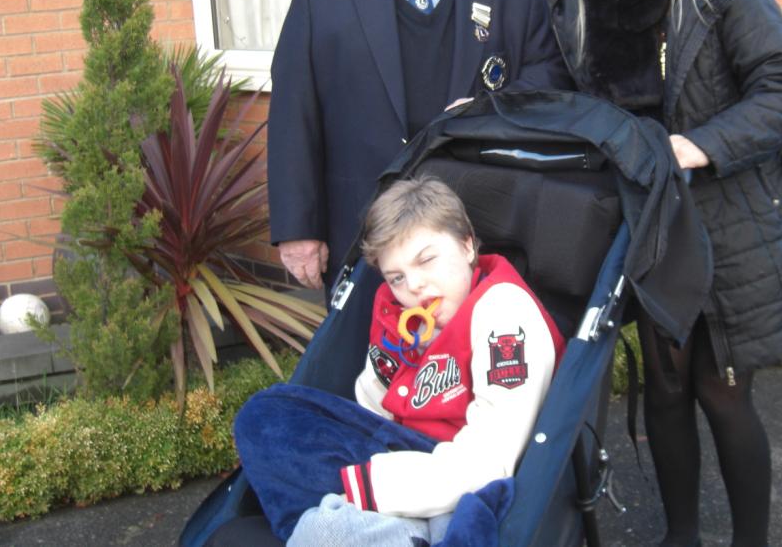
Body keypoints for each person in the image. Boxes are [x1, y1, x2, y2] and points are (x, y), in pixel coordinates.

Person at [549, 0, 782, 547]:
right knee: (666, 388)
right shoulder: (572, 7)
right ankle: (680, 536)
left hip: (729, 223)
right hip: (648, 229)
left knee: (723, 389)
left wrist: (693, 146)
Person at [268, 0, 570, 296]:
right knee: (364, 371)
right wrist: (297, 226)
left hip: (480, 234)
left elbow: (550, 87)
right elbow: (292, 112)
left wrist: (485, 110)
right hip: (360, 231)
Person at [234, 176, 566, 544]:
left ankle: (374, 527)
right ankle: (381, 528)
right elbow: (373, 409)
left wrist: (374, 490)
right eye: (396, 277)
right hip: (401, 454)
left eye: (426, 260)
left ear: (467, 245)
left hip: (464, 471)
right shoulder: (399, 317)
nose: (415, 286)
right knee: (263, 418)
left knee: (323, 528)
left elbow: (489, 462)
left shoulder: (503, 312)